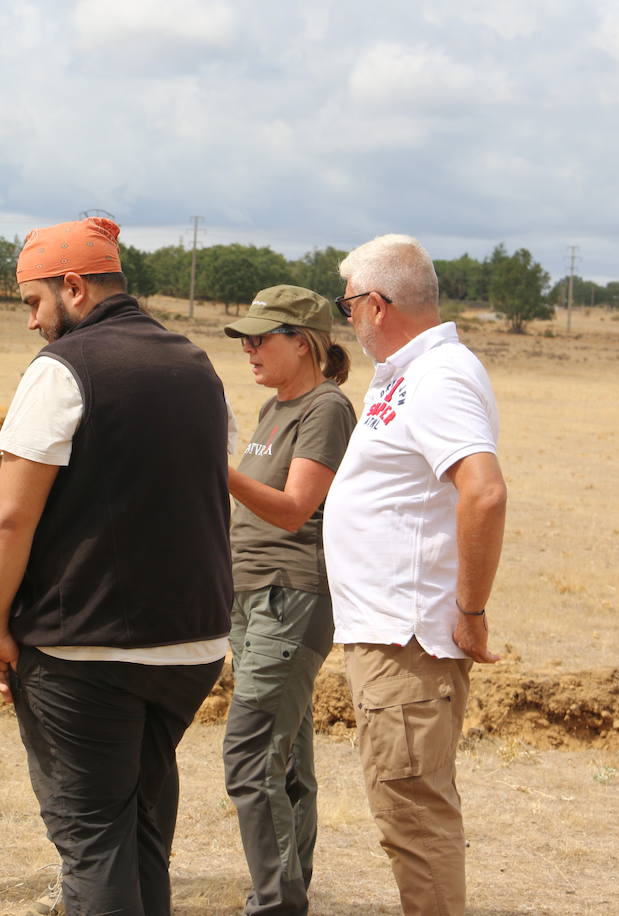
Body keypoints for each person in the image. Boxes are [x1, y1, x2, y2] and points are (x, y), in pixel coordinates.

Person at [0, 217, 233, 915]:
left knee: (92, 840)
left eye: (33, 302)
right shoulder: (196, 364)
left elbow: (9, 517)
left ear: (75, 288)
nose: (31, 323)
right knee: (141, 828)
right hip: (193, 646)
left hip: (85, 650)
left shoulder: (64, 370)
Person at [324, 235, 508, 916]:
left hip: (409, 642)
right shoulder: (409, 373)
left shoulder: (441, 375)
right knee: (406, 811)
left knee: (415, 819)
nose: (347, 320)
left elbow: (483, 492)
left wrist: (472, 609)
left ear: (377, 304)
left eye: (347, 306)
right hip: (389, 636)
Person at [221, 286, 355, 915]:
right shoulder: (275, 407)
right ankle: (289, 893)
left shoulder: (325, 407)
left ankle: (274, 905)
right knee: (287, 761)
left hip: (289, 598)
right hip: (252, 598)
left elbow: (295, 507)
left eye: (260, 337)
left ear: (301, 343)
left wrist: (212, 468)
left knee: (249, 755)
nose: (248, 348)